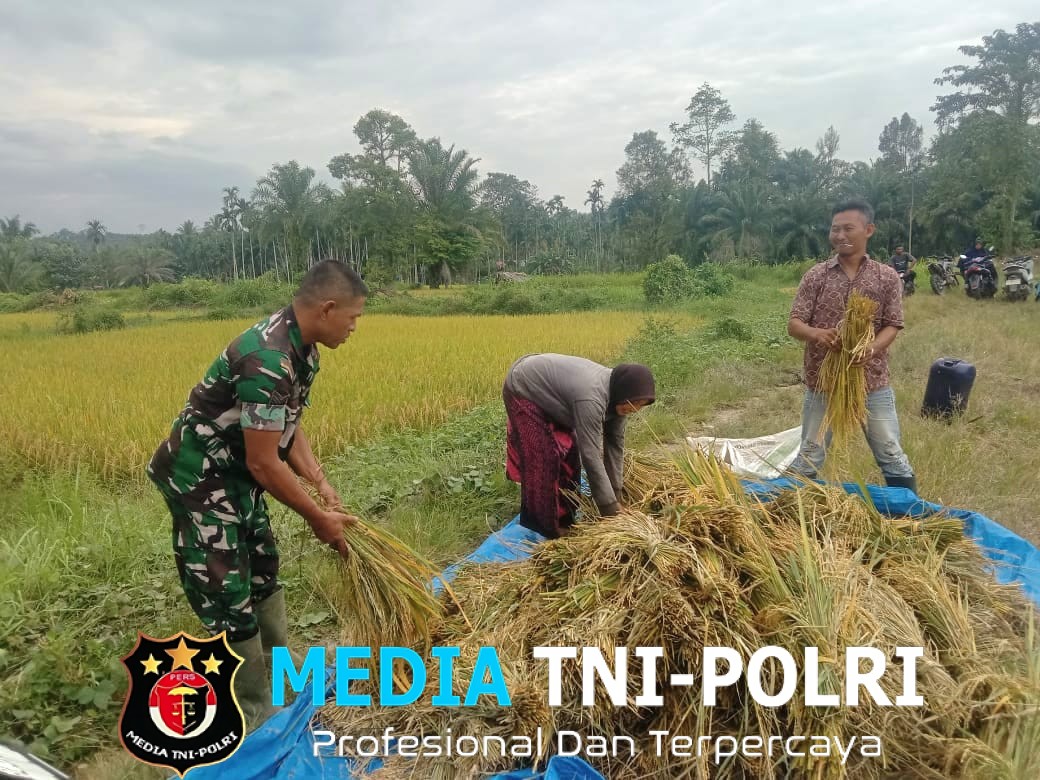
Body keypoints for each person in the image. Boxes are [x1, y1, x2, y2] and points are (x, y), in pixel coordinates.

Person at [147, 260, 367, 726]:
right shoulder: (267, 358)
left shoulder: (304, 350)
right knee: (228, 591)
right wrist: (317, 518)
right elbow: (264, 461)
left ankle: (279, 683)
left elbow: (289, 424)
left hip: (237, 474)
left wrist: (321, 483)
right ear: (328, 309)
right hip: (200, 479)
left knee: (263, 568)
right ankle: (255, 715)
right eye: (353, 317)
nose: (353, 328)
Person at [786, 199, 917, 493]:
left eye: (848, 228)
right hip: (823, 380)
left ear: (868, 230)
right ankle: (791, 513)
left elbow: (893, 324)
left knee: (890, 452)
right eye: (835, 229)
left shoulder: (885, 276)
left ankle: (909, 514)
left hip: (872, 380)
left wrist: (871, 348)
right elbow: (794, 324)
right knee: (810, 452)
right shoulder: (816, 275)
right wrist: (818, 334)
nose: (840, 235)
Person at [502, 355, 655, 538]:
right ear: (623, 392)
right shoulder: (592, 399)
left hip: (554, 395)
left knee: (570, 456)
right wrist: (610, 510)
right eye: (632, 404)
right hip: (524, 385)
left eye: (639, 406)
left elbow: (615, 447)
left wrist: (615, 497)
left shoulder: (620, 399)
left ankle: (565, 517)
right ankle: (543, 526)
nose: (633, 409)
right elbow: (590, 455)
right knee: (545, 458)